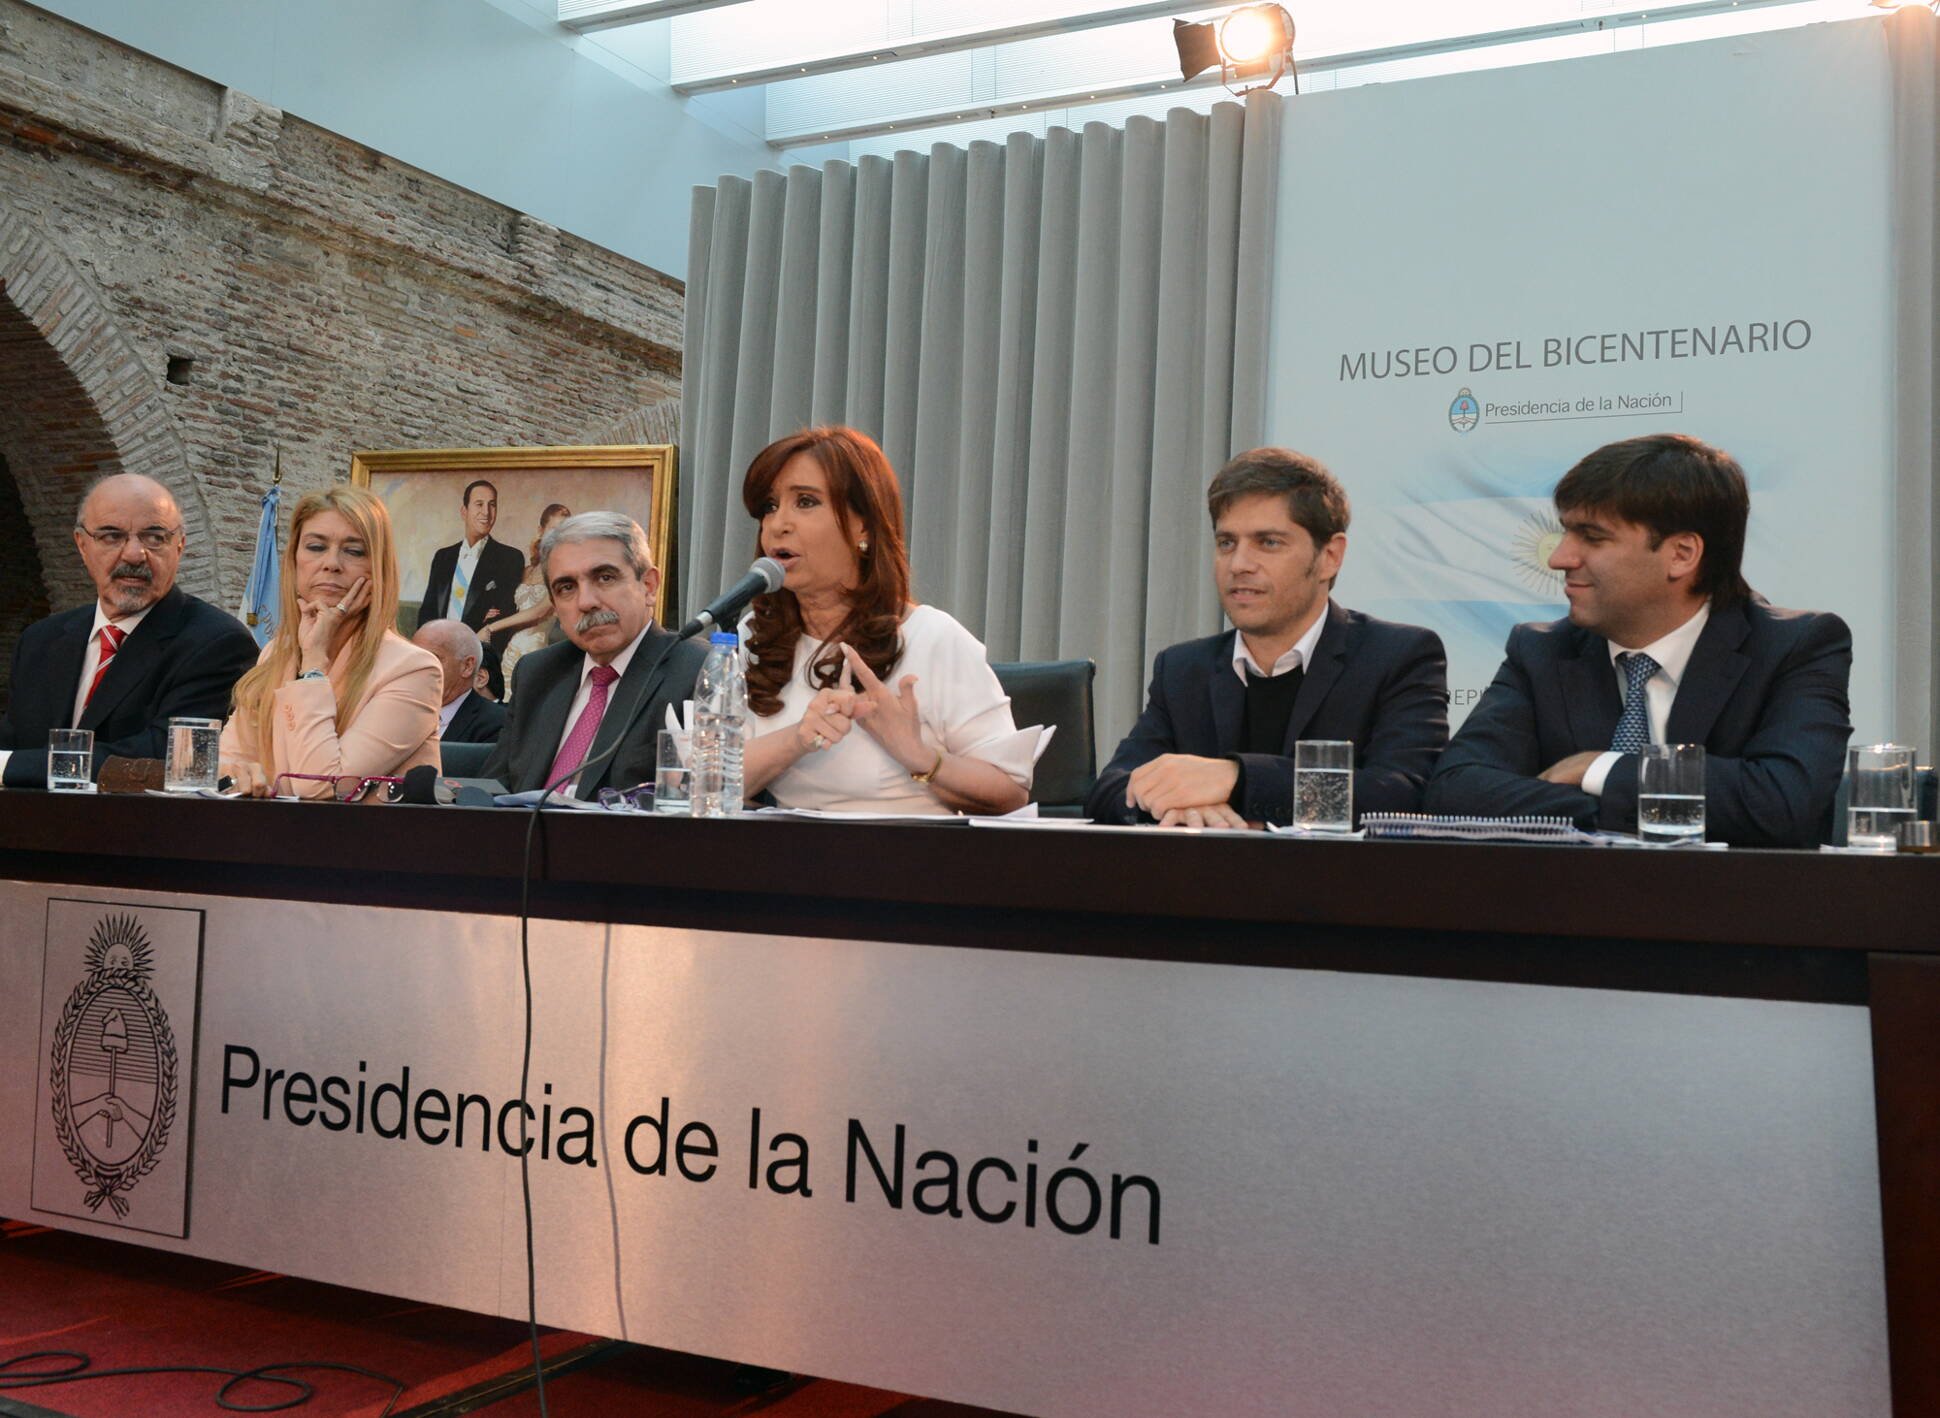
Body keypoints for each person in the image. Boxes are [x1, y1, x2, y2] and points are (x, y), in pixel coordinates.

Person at [1424, 433, 1852, 847]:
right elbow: (1456, 790)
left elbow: (1783, 802)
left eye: (1591, 537)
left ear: (1681, 554)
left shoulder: (1794, 646)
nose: (1559, 559)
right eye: (1565, 532)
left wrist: (1600, 768)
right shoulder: (1541, 651)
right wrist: (1625, 813)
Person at [1087, 448, 1449, 828]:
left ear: (1330, 556)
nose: (1239, 563)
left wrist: (1237, 778)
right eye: (1227, 542)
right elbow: (1110, 789)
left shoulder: (1396, 656)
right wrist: (1180, 808)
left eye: (1268, 543)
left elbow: (1404, 794)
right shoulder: (1182, 668)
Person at [740, 427, 1035, 815]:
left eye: (806, 502)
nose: (778, 524)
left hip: (913, 864)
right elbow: (709, 784)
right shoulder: (752, 637)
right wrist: (798, 738)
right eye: (769, 507)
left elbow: (1009, 791)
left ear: (864, 525)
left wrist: (917, 755)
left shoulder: (932, 638)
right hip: (793, 864)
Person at [0, 473, 256, 788]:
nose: (134, 554)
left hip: (141, 832)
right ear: (82, 545)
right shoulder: (41, 640)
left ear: (179, 546)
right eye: (111, 536)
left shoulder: (217, 643)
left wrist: (9, 764)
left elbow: (167, 757)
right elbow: (13, 736)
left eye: (154, 537)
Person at [221, 485, 442, 800]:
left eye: (353, 551)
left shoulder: (414, 669)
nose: (331, 563)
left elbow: (321, 786)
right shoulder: (276, 652)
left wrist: (313, 666)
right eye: (315, 547)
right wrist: (240, 776)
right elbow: (225, 766)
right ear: (294, 560)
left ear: (377, 569)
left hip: (364, 845)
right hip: (269, 838)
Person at [483, 511, 706, 799]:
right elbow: (493, 791)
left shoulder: (697, 670)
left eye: (605, 577)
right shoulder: (538, 672)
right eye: (566, 588)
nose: (586, 602)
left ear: (649, 586)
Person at [415, 479, 524, 697]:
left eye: (492, 505)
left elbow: (503, 613)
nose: (486, 512)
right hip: (435, 662)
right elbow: (428, 610)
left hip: (479, 665)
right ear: (464, 511)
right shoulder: (443, 557)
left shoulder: (510, 558)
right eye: (479, 504)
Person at [477, 501, 570, 700]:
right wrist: (490, 611)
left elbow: (539, 611)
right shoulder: (527, 570)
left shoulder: (562, 573)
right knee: (501, 707)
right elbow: (509, 606)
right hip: (510, 651)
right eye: (554, 530)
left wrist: (490, 628)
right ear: (541, 530)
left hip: (535, 651)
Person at [412, 619, 506, 744]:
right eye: (413, 658)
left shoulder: (497, 724)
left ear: (467, 666)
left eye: (430, 658)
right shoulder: (397, 713)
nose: (417, 667)